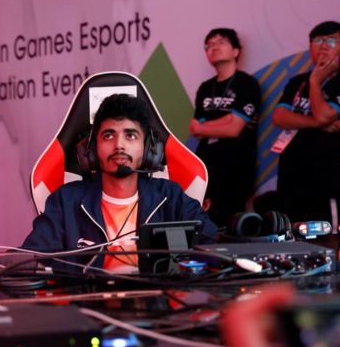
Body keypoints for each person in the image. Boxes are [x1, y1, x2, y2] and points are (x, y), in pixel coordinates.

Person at [22, 94, 217, 273]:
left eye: (130, 135)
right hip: (86, 304)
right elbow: (30, 260)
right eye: (108, 135)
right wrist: (97, 267)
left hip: (159, 305)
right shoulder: (66, 201)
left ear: (150, 150)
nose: (119, 145)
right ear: (91, 149)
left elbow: (214, 249)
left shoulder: (170, 197)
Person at [272, 21, 340, 224]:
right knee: (289, 231)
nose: (323, 45)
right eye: (318, 40)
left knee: (326, 236)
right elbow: (279, 117)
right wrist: (318, 123)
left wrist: (316, 81)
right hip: (291, 171)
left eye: (331, 41)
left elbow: (324, 115)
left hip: (326, 175)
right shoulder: (297, 81)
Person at [189, 28, 260, 227]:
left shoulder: (247, 84)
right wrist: (226, 120)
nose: (213, 47)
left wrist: (208, 126)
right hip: (206, 164)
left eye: (220, 42)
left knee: (232, 224)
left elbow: (234, 129)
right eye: (209, 45)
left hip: (236, 165)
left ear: (236, 51)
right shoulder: (205, 87)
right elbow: (194, 128)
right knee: (203, 222)